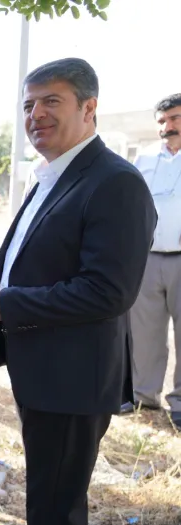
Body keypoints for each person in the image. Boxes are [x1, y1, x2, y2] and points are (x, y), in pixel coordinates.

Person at [0, 57, 156, 525]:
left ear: (89, 108)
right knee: (47, 499)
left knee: (55, 511)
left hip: (73, 379)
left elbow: (108, 291)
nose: (36, 115)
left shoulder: (116, 182)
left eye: (52, 101)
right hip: (45, 369)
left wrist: (10, 301)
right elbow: (50, 251)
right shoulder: (54, 174)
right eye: (29, 105)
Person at [124, 93, 181, 430]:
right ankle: (144, 395)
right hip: (147, 259)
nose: (167, 126)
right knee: (144, 333)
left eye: (174, 119)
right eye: (162, 121)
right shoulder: (143, 160)